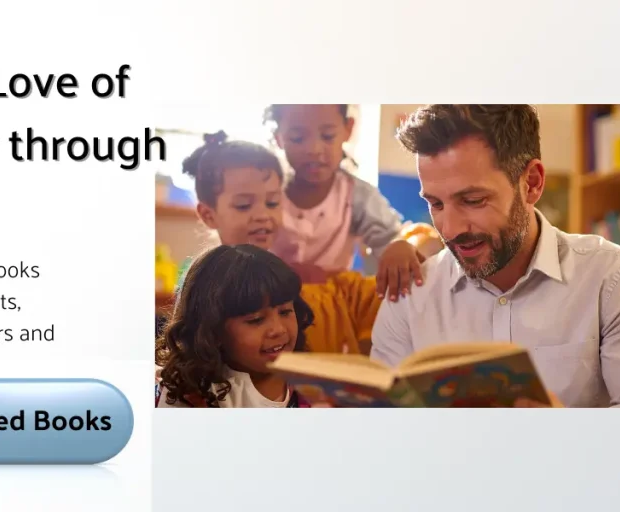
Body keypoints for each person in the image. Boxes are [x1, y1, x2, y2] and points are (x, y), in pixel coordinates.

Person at [370, 104, 620, 408]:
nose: (449, 229)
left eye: (473, 200)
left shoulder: (614, 277)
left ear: (531, 183)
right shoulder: (408, 296)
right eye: (435, 204)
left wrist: (564, 430)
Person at [178, 131, 440, 355]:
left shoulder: (311, 283)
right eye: (244, 205)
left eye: (273, 202)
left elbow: (424, 254)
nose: (262, 215)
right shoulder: (206, 285)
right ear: (208, 214)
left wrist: (407, 245)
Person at [264, 105, 438, 300]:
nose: (314, 150)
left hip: (332, 306)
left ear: (348, 129)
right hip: (272, 303)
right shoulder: (266, 193)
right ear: (279, 138)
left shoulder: (357, 195)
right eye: (297, 138)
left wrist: (398, 246)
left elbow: (390, 240)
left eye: (328, 136)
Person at [155, 244, 314, 408]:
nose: (278, 329)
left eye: (285, 312)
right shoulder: (190, 395)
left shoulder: (309, 383)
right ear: (212, 330)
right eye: (256, 320)